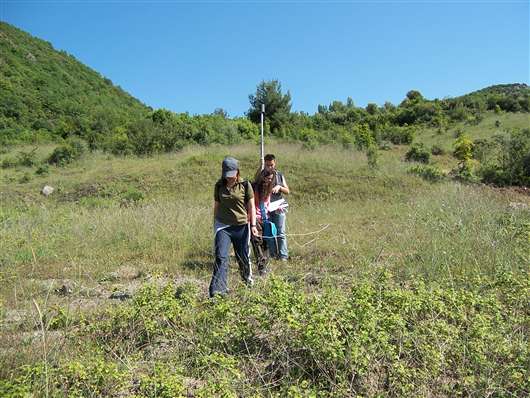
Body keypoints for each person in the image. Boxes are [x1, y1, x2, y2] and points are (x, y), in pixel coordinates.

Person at [209, 157, 258, 297]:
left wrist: (253, 225)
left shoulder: (245, 185)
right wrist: (215, 225)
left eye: (232, 175)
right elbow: (216, 207)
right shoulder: (219, 185)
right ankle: (218, 292)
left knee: (242, 257)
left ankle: (247, 282)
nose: (229, 178)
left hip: (241, 226)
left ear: (237, 172)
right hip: (223, 226)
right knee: (221, 257)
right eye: (227, 175)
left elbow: (251, 206)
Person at [263, 154, 290, 261]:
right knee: (269, 232)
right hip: (266, 208)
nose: (270, 167)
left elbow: (287, 191)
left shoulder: (279, 175)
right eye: (267, 165)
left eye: (272, 165)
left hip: (278, 207)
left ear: (275, 163)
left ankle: (283, 256)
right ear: (264, 164)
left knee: (280, 233)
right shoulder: (262, 175)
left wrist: (280, 187)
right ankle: (273, 255)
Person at [251, 168, 276, 275]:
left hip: (265, 218)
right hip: (255, 218)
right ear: (262, 177)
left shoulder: (269, 189)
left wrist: (276, 207)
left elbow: (267, 205)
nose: (269, 181)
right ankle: (261, 267)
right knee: (257, 242)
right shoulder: (254, 187)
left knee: (266, 243)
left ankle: (264, 266)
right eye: (267, 178)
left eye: (271, 179)